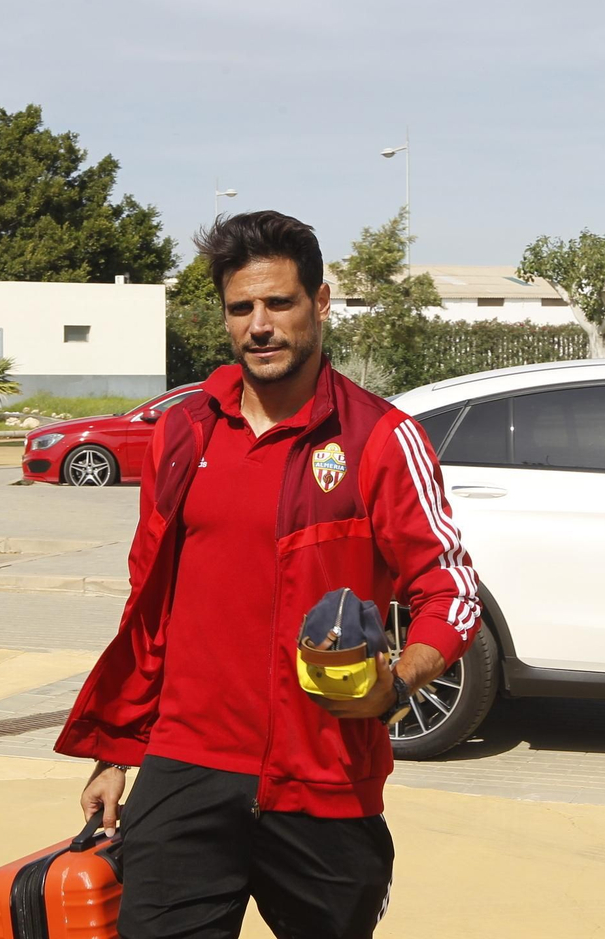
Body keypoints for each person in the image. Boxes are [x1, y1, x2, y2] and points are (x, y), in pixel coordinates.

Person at [54, 210, 482, 939]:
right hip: (185, 768)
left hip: (322, 779)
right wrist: (116, 750)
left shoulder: (380, 437)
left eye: (279, 303)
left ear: (319, 303)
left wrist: (399, 682)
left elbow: (452, 590)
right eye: (241, 307)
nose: (260, 324)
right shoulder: (183, 433)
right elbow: (152, 610)